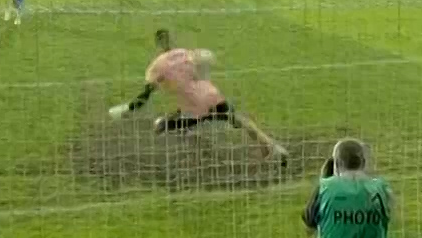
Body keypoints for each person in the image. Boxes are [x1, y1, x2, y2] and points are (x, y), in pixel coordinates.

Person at [107, 28, 287, 163]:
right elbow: (206, 61)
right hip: (210, 94)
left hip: (193, 108)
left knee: (160, 125)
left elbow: (144, 97)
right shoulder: (184, 53)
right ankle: (273, 147)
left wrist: (126, 109)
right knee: (238, 119)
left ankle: (179, 157)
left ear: (158, 45)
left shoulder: (157, 66)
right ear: (171, 40)